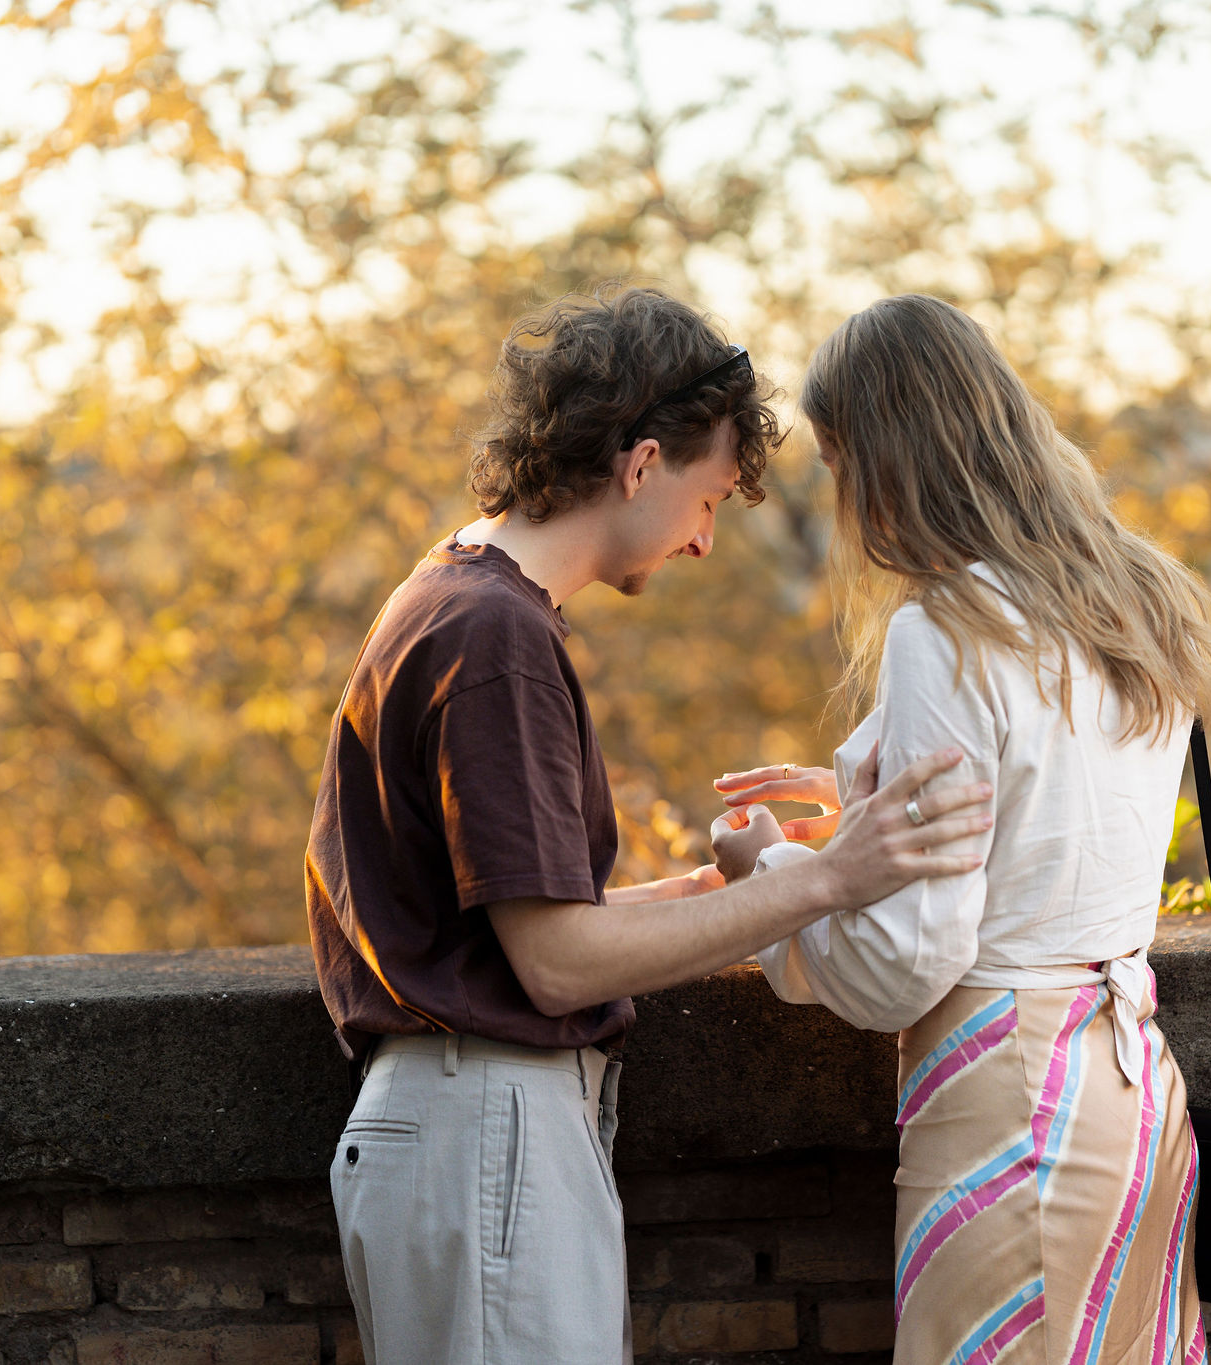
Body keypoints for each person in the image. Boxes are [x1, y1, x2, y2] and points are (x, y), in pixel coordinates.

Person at [303, 285, 994, 1365]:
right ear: (639, 465)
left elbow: (491, 926)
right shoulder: (495, 640)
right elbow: (556, 966)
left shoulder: (450, 597)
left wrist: (707, 899)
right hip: (485, 1128)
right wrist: (825, 880)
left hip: (467, 1131)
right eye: (709, 496)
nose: (704, 540)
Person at [709, 294, 1211, 1365]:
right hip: (1132, 1091)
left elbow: (907, 965)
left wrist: (767, 875)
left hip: (1006, 1106)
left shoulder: (943, 630)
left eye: (838, 461)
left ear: (881, 457)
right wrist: (869, 786)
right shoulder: (1134, 599)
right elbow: (1059, 806)